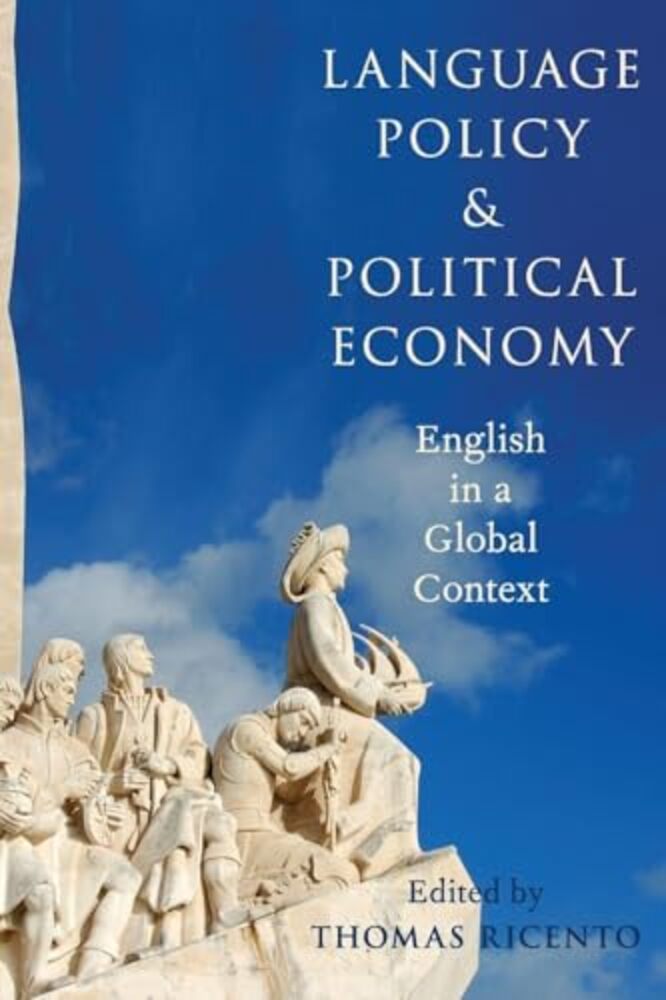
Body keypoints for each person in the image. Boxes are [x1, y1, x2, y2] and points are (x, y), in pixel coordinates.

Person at [76, 634, 242, 949]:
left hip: (174, 803)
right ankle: (160, 939)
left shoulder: (175, 710)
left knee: (211, 825)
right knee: (178, 832)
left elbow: (199, 756)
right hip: (123, 820)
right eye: (141, 649)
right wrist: (113, 782)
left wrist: (168, 764)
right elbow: (77, 775)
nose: (150, 655)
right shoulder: (95, 716)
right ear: (122, 658)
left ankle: (224, 911)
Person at [281, 522, 424, 878]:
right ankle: (380, 849)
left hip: (335, 707)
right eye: (340, 560)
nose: (345, 569)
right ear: (323, 566)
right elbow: (327, 659)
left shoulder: (324, 606)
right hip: (320, 714)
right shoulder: (315, 605)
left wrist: (379, 686)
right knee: (397, 757)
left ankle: (383, 844)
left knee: (403, 761)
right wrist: (378, 695)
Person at [0, 640, 141, 985]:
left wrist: (100, 811)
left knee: (124, 875)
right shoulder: (9, 741)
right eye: (66, 690)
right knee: (39, 892)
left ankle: (93, 966)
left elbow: (91, 798)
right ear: (46, 689)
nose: (71, 699)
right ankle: (34, 980)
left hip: (60, 844)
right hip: (16, 844)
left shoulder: (72, 748)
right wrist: (64, 790)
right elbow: (14, 812)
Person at [213, 688, 359, 908]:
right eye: (303, 721)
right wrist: (327, 749)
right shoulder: (247, 728)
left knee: (344, 874)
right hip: (243, 835)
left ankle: (266, 900)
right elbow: (289, 767)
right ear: (287, 707)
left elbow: (288, 793)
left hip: (259, 832)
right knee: (339, 873)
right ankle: (263, 906)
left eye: (308, 728)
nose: (302, 732)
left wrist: (321, 760)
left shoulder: (265, 741)